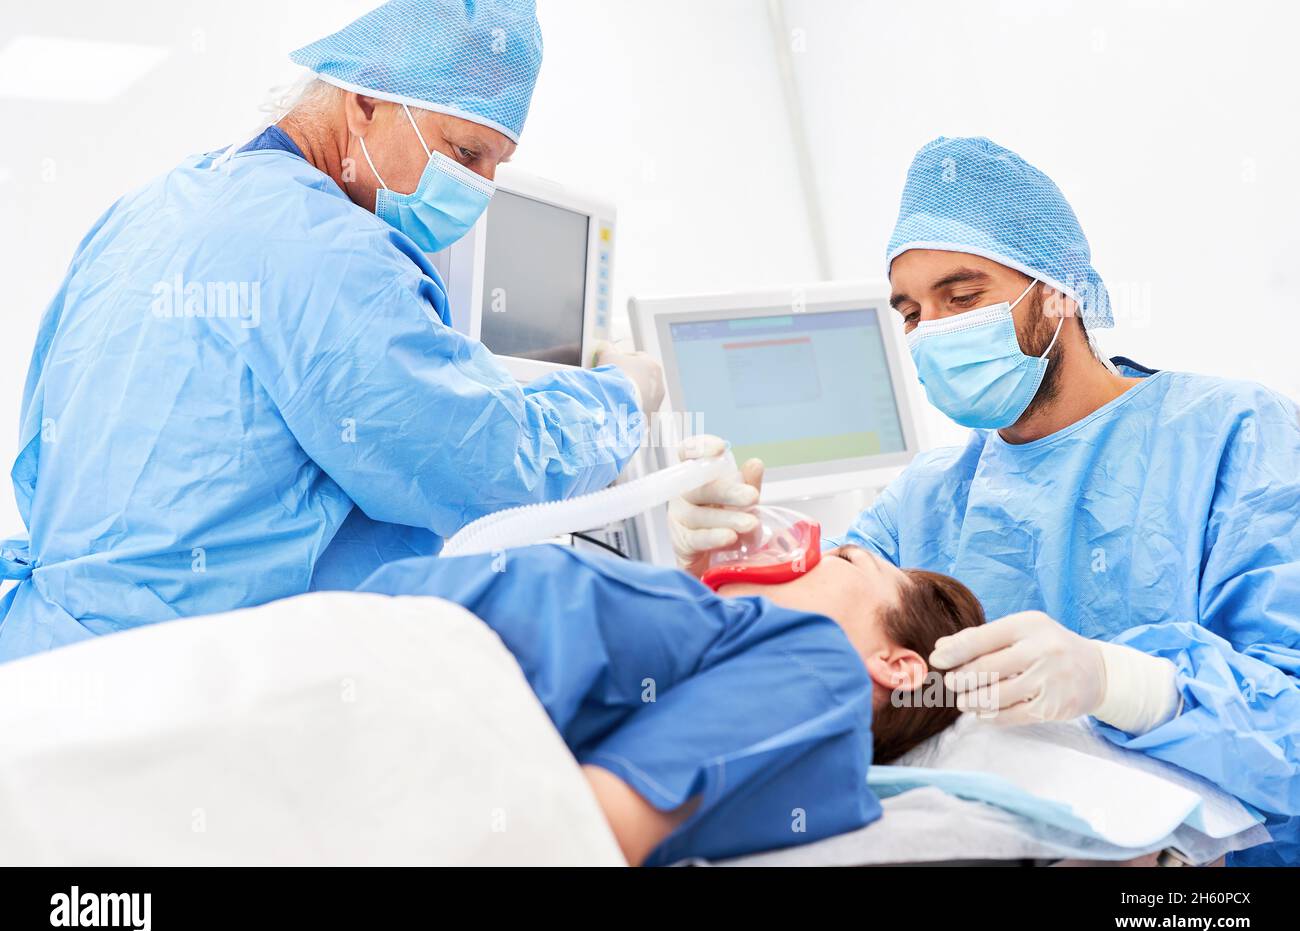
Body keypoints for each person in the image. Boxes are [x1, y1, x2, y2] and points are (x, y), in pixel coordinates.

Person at [670, 138, 1300, 866]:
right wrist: (715, 573)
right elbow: (808, 667)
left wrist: (1121, 684)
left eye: (963, 297)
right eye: (911, 313)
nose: (935, 330)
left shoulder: (1236, 438)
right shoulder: (926, 498)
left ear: (1060, 291)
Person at [0, 0, 661, 661]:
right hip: (183, 694)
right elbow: (482, 464)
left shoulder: (156, 204)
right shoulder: (331, 256)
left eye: (496, 165)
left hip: (46, 665)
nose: (480, 188)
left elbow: (41, 453)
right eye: (466, 153)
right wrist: (624, 396)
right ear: (366, 104)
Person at [357, 542, 982, 865]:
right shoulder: (723, 645)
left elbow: (571, 838)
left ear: (898, 667)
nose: (810, 553)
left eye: (847, 557)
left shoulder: (822, 671)